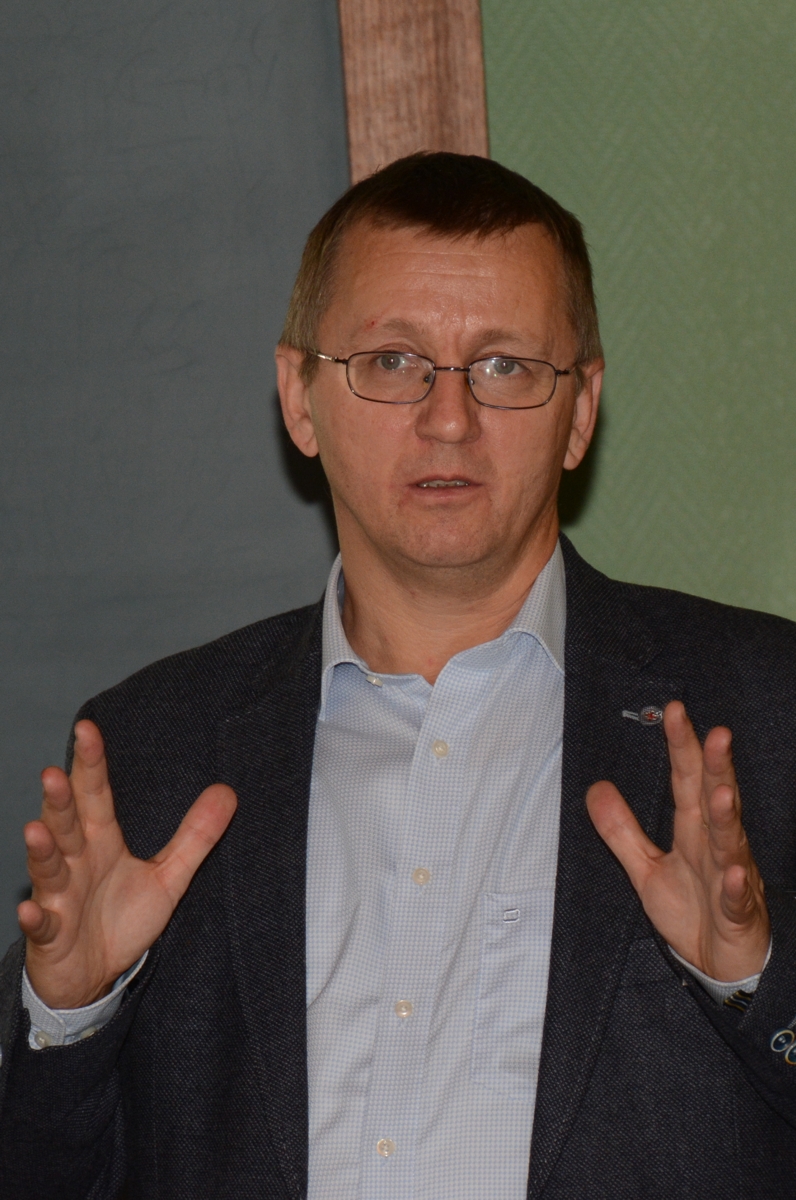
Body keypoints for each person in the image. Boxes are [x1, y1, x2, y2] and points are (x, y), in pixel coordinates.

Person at [0, 152, 795, 1199]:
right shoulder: (152, 751)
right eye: (390, 360)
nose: (448, 418)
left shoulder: (765, 714)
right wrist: (70, 1021)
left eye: (505, 365)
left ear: (580, 411)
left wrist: (753, 985)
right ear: (299, 397)